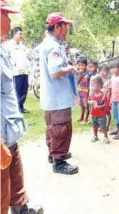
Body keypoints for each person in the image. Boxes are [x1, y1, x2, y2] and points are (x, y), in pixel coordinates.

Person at [1, 0, 43, 214]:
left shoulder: (2, 50)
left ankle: (20, 207)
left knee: (15, 172)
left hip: (9, 129)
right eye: (5, 15)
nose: (9, 21)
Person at [40, 12, 78, 175]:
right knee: (61, 128)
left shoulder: (48, 43)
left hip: (51, 98)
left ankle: (54, 154)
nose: (66, 30)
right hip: (58, 97)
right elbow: (55, 72)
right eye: (65, 27)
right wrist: (69, 68)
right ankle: (59, 161)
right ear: (57, 27)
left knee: (52, 127)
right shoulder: (54, 46)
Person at [6, 27, 30, 113]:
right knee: (17, 90)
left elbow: (27, 55)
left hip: (24, 70)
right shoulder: (9, 45)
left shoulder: (22, 45)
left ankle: (21, 106)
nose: (21, 36)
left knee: (24, 89)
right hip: (16, 72)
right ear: (15, 34)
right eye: (20, 34)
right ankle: (16, 108)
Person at [89, 76, 110, 144]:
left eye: (93, 85)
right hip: (94, 114)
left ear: (99, 86)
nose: (92, 87)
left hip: (101, 115)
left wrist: (99, 106)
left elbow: (106, 104)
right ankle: (95, 136)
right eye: (91, 85)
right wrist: (90, 102)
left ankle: (106, 137)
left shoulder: (103, 95)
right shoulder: (92, 94)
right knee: (94, 126)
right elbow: (88, 100)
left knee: (103, 127)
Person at [109, 60, 119, 139]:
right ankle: (117, 128)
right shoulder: (112, 77)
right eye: (111, 68)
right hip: (114, 99)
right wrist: (110, 99)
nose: (112, 70)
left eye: (114, 68)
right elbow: (111, 88)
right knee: (115, 114)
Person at [76, 57, 91, 124]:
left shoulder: (89, 73)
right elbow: (77, 81)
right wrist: (80, 74)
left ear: (86, 65)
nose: (81, 67)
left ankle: (86, 119)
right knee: (81, 105)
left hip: (86, 92)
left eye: (82, 65)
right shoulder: (78, 73)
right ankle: (81, 117)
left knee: (86, 106)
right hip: (80, 91)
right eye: (79, 65)